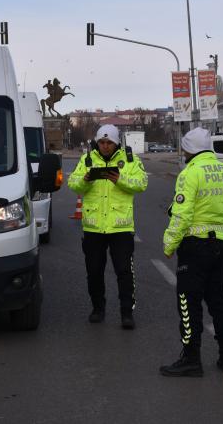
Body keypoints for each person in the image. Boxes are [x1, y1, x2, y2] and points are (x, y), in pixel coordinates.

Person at [159, 127, 223, 377]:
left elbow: (182, 214)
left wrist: (169, 244)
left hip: (194, 247)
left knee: (189, 303)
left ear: (190, 149)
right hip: (219, 247)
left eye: (185, 148)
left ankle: (191, 358)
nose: (183, 152)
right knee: (219, 301)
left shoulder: (190, 173)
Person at [68, 124, 148, 329]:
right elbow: (72, 183)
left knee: (124, 272)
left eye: (109, 143)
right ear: (97, 142)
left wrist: (120, 179)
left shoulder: (129, 160)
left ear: (116, 143)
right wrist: (85, 180)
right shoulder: (87, 160)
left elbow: (141, 183)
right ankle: (98, 308)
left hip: (120, 228)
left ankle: (126, 313)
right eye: (102, 142)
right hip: (94, 227)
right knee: (94, 271)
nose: (104, 146)